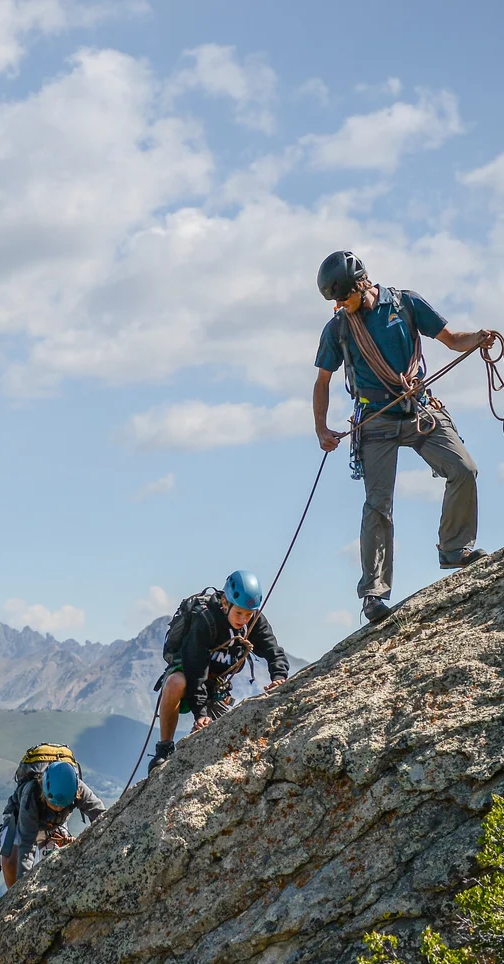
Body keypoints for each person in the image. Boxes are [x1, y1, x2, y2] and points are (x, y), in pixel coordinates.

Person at [313, 251, 493, 623]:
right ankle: (374, 594)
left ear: (362, 284)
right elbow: (322, 381)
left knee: (464, 470)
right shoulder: (339, 328)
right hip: (375, 423)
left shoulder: (405, 303)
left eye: (342, 297)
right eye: (334, 300)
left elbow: (450, 338)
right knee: (378, 506)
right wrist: (321, 429)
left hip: (419, 409)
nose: (339, 305)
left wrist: (476, 339)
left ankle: (455, 549)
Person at [148, 570, 289, 772]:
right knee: (174, 683)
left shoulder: (254, 621)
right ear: (225, 603)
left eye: (248, 614)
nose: (243, 620)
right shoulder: (206, 620)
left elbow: (273, 650)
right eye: (238, 613)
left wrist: (279, 676)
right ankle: (165, 748)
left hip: (218, 685)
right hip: (190, 673)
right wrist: (200, 714)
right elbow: (196, 669)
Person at [0, 760, 105, 887]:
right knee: (11, 863)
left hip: (54, 825)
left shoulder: (78, 789)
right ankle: (10, 899)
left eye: (62, 806)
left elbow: (101, 815)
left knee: (57, 869)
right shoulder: (31, 795)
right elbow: (26, 844)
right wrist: (21, 889)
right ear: (44, 792)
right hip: (18, 821)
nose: (59, 809)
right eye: (54, 805)